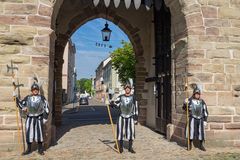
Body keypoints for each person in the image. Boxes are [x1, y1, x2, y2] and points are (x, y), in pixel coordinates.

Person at [16, 82, 49, 155]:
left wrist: (45, 118)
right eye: (34, 89)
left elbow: (46, 107)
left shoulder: (42, 98)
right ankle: (29, 149)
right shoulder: (28, 97)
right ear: (32, 90)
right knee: (29, 133)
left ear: (38, 90)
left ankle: (40, 149)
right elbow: (22, 104)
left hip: (39, 118)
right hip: (30, 118)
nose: (35, 90)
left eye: (36, 89)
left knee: (39, 133)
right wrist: (16, 98)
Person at [110, 83, 138, 153]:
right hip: (121, 116)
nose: (127, 89)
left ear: (130, 89)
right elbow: (116, 104)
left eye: (129, 88)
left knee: (131, 132)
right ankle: (121, 147)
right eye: (126, 88)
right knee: (120, 132)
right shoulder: (121, 97)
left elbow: (136, 108)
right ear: (125, 89)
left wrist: (135, 118)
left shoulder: (134, 97)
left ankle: (130, 148)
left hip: (130, 117)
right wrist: (111, 103)